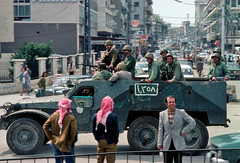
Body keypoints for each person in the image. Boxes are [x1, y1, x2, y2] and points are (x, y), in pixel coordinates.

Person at [157, 95, 196, 163]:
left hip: (178, 143)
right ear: (166, 104)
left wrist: (184, 131)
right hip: (167, 143)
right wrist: (159, 143)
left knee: (178, 161)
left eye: (173, 102)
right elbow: (160, 129)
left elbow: (192, 122)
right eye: (170, 102)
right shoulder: (162, 114)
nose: (171, 103)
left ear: (175, 103)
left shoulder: (181, 112)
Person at [43, 98, 77, 163]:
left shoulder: (53, 116)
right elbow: (73, 131)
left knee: (58, 160)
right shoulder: (71, 117)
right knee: (69, 161)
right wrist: (70, 140)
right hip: (67, 143)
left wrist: (51, 138)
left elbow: (45, 127)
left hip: (56, 142)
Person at [92, 96, 119, 163]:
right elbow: (116, 131)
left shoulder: (96, 116)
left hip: (100, 141)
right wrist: (115, 140)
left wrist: (98, 139)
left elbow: (93, 130)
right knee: (110, 160)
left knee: (99, 160)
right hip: (110, 142)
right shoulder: (113, 117)